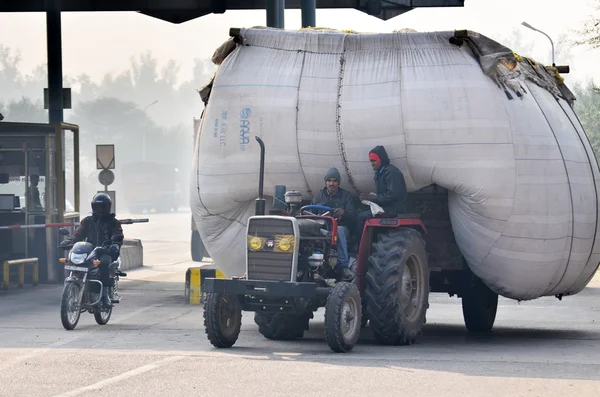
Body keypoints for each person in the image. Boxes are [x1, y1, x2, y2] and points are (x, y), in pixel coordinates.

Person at [72, 193, 123, 307]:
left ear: (107, 207)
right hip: (89, 251)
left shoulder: (114, 222)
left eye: (102, 207)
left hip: (106, 251)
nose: (100, 210)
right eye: (97, 207)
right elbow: (78, 233)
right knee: (75, 261)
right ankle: (75, 287)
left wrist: (115, 245)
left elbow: (118, 234)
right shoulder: (87, 221)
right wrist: (71, 241)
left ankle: (104, 294)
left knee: (104, 263)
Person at [311, 167, 356, 280]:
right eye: (329, 180)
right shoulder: (318, 197)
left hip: (341, 228)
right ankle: (312, 264)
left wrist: (344, 213)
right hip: (323, 228)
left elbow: (353, 216)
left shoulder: (346, 196)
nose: (332, 183)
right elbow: (311, 214)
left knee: (339, 230)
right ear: (325, 182)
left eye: (334, 181)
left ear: (338, 183)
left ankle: (343, 267)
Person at [356, 145, 408, 240]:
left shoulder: (391, 172)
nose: (372, 164)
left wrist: (372, 198)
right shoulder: (380, 173)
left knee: (361, 217)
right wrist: (369, 198)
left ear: (381, 160)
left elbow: (392, 196)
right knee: (358, 212)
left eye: (374, 161)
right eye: (371, 161)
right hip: (386, 206)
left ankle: (358, 246)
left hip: (394, 208)